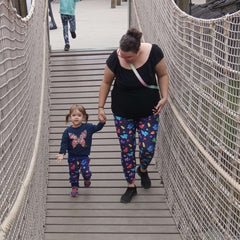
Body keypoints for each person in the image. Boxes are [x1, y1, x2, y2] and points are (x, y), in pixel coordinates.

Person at [98, 28, 169, 203]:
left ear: (138, 52)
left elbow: (163, 74)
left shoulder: (154, 52)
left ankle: (142, 169)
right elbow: (106, 82)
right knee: (127, 149)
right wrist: (100, 107)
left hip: (149, 112)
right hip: (123, 113)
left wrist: (164, 97)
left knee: (147, 148)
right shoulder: (115, 58)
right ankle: (131, 185)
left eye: (129, 57)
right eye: (122, 54)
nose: (124, 58)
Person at [56, 104, 105, 197]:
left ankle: (87, 179)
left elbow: (97, 128)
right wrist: (61, 153)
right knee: (73, 174)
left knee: (86, 171)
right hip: (72, 157)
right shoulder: (67, 131)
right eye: (74, 115)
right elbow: (64, 143)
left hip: (83, 156)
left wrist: (102, 122)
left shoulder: (88, 127)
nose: (76, 117)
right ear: (70, 117)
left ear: (83, 117)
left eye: (79, 115)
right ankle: (74, 187)